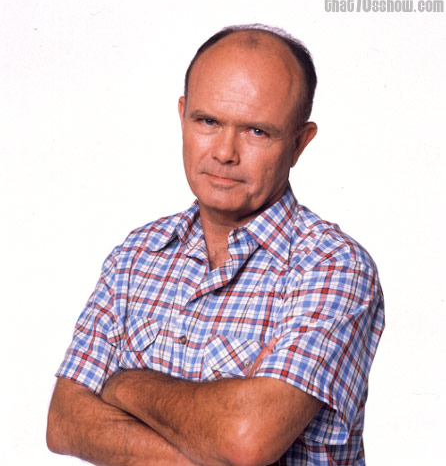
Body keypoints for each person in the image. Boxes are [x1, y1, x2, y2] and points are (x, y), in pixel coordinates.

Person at [47, 24, 385, 466]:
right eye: (207, 121)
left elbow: (247, 441)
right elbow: (64, 423)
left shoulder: (333, 266)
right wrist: (219, 429)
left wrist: (123, 384)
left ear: (299, 143)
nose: (225, 152)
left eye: (257, 131)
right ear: (182, 116)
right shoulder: (135, 255)